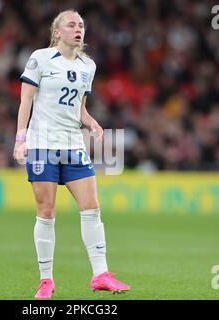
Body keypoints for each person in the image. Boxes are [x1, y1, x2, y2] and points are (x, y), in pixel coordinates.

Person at [13, 9, 130, 299]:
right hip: (43, 145)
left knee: (91, 208)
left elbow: (78, 106)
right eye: (71, 24)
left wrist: (89, 121)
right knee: (47, 211)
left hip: (73, 146)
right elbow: (25, 100)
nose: (78, 29)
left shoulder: (88, 66)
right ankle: (46, 280)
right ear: (57, 32)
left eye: (81, 25)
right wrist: (20, 139)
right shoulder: (39, 58)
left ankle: (101, 274)